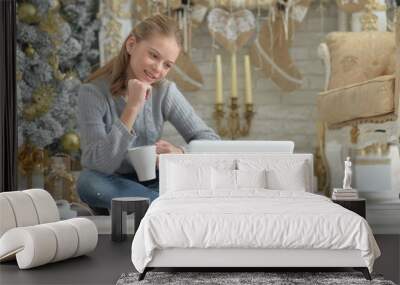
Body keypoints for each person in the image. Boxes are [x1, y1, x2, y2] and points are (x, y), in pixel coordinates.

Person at [76, 14, 219, 211]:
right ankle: (171, 207)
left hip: (154, 180)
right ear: (131, 45)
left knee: (197, 175)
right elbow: (99, 164)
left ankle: (152, 204)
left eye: (167, 65)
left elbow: (211, 141)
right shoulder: (92, 93)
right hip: (112, 182)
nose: (158, 69)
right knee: (88, 182)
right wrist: (133, 107)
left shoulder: (165, 91)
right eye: (153, 55)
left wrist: (181, 153)